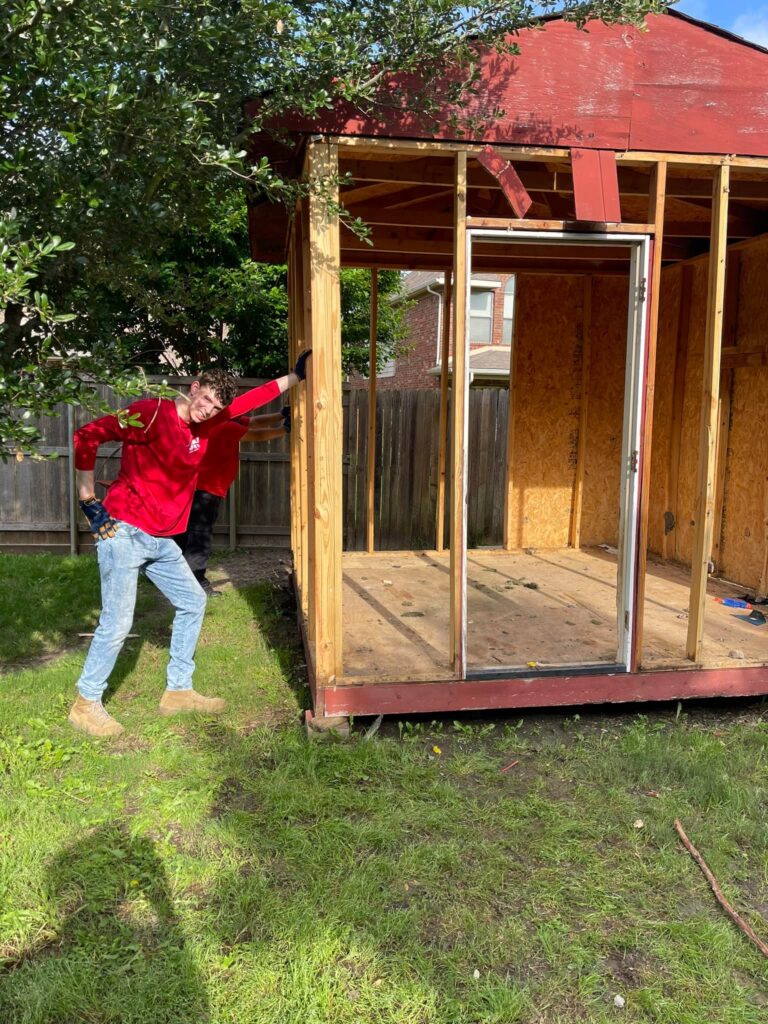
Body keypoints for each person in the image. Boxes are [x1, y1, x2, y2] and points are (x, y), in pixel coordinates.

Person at [69, 353, 310, 738]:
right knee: (117, 622)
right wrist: (88, 501)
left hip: (161, 540)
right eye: (206, 399)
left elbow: (251, 401)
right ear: (193, 388)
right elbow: (87, 435)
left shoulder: (210, 424)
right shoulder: (150, 414)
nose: (209, 409)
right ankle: (85, 703)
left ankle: (178, 691)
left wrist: (295, 377)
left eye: (217, 406)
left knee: (193, 601)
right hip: (125, 532)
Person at [173, 407, 291, 597]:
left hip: (196, 488)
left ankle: (173, 576)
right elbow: (257, 435)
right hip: (206, 491)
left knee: (186, 534)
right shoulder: (225, 427)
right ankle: (196, 583)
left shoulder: (219, 421)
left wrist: (280, 414)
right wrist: (284, 430)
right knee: (199, 537)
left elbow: (253, 421)